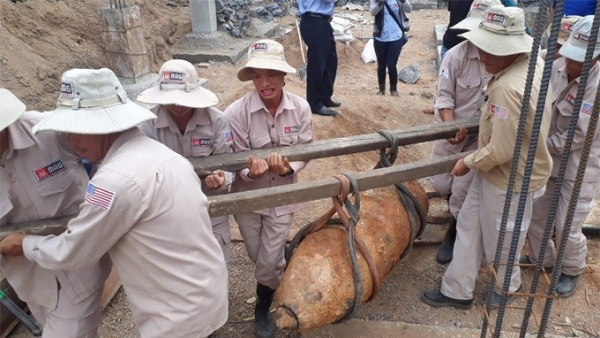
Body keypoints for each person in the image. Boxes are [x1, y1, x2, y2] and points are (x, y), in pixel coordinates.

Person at [0, 68, 228, 338]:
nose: (70, 141)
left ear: (102, 127)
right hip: (202, 292)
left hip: (175, 315)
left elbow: (72, 251)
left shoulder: (113, 182)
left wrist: (24, 243)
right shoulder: (160, 154)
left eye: (77, 131)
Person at [421, 6, 553, 308]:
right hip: (493, 172)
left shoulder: (507, 88)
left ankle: (506, 288)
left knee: (503, 240)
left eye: (489, 50)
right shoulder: (526, 67)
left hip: (509, 178)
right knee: (468, 224)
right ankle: (457, 290)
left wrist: (468, 162)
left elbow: (502, 150)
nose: (482, 56)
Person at [0, 88, 111, 338]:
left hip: (79, 267)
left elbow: (110, 158)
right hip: (29, 278)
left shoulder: (49, 131)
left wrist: (101, 214)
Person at [225, 39, 313, 338]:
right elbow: (233, 160)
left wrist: (289, 168)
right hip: (248, 199)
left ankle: (262, 307)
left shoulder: (300, 108)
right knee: (256, 253)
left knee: (266, 261)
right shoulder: (235, 114)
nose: (265, 83)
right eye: (257, 76)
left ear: (283, 75)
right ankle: (279, 268)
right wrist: (251, 171)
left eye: (272, 74)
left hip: (283, 197)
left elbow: (305, 148)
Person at [523, 15, 600, 298]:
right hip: (546, 159)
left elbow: (580, 135)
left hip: (579, 166)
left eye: (580, 60)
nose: (571, 64)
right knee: (536, 216)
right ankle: (542, 260)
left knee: (567, 225)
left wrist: (538, 144)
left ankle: (570, 269)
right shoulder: (553, 66)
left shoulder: (597, 85)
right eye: (570, 56)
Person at [137, 59, 234, 263]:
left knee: (216, 269)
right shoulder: (147, 125)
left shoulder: (217, 121)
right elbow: (142, 173)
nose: (177, 104)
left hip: (211, 212)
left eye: (181, 97)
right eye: (171, 98)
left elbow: (229, 165)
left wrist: (221, 179)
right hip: (167, 213)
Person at [430, 0, 501, 265]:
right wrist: (450, 128)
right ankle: (456, 211)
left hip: (481, 137)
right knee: (441, 183)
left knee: (461, 190)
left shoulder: (500, 62)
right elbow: (444, 96)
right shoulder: (455, 56)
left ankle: (454, 230)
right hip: (453, 130)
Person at [298, 0, 339, 116]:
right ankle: (314, 103)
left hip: (322, 22)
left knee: (330, 62)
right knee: (317, 64)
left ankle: (325, 97)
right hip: (313, 21)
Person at [369, 0, 412, 96]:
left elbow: (409, 9)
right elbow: (372, 12)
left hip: (396, 36)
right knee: (381, 64)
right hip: (380, 37)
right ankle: (381, 89)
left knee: (392, 64)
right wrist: (380, 3)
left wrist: (403, 1)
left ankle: (393, 89)